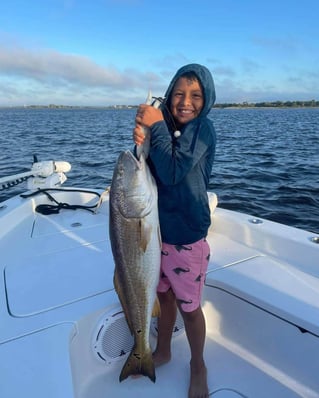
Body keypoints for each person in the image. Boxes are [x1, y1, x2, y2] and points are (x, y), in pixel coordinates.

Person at [133, 63, 216, 398]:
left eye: (195, 95)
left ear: (206, 100)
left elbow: (173, 171)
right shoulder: (162, 127)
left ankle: (198, 364)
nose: (186, 101)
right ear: (168, 96)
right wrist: (142, 135)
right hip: (156, 237)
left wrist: (154, 129)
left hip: (186, 239)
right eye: (179, 94)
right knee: (164, 299)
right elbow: (150, 170)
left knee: (189, 308)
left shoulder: (203, 129)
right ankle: (164, 350)